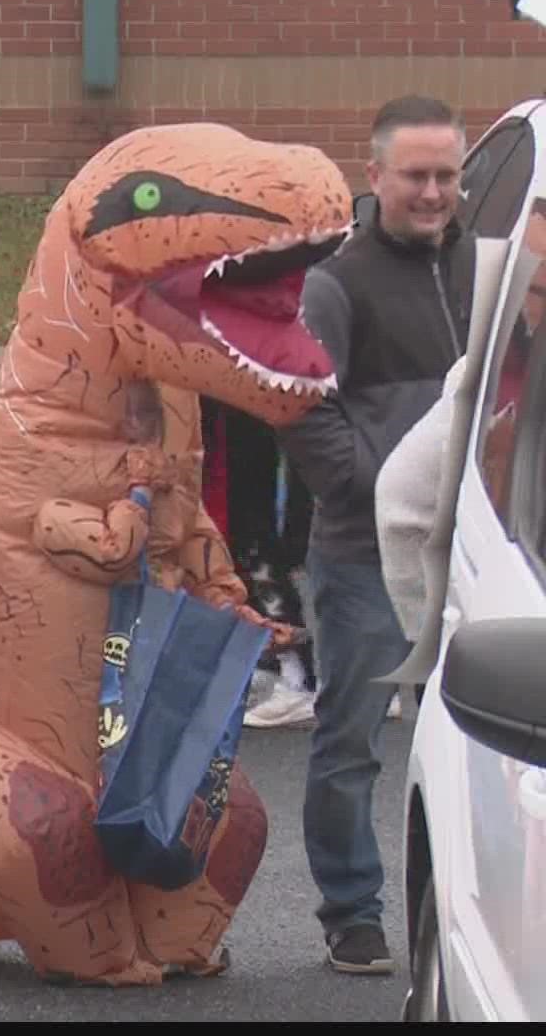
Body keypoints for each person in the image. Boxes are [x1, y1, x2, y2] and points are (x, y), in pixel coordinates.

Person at [276, 94, 473, 977]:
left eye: (446, 175)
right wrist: (370, 483)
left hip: (473, 551)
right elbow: (302, 409)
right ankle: (352, 911)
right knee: (352, 738)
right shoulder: (337, 281)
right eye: (416, 176)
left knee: (474, 743)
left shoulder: (492, 268)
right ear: (377, 176)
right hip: (364, 551)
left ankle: (464, 904)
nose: (433, 193)